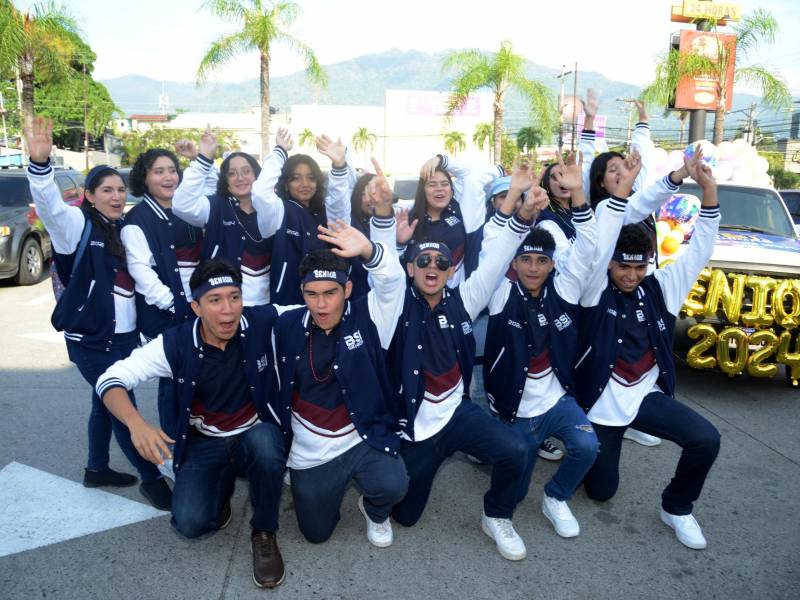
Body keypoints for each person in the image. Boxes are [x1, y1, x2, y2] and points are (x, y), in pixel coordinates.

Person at [386, 161, 548, 561]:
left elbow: (495, 260)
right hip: (415, 427)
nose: (432, 269)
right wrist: (384, 238)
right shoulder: (392, 308)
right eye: (423, 262)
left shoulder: (464, 301)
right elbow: (382, 275)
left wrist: (521, 211)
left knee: (515, 450)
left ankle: (497, 516)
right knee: (405, 516)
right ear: (411, 268)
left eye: (441, 263)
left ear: (449, 271)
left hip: (456, 414)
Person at [95, 259, 291, 588]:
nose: (228, 311)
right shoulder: (175, 343)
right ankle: (220, 493)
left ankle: (264, 531)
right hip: (205, 442)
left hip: (254, 434)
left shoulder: (262, 322)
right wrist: (136, 423)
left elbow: (319, 306)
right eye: (214, 300)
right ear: (196, 306)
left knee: (267, 444)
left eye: (234, 297)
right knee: (189, 523)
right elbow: (110, 379)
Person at [23, 116, 168, 509]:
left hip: (123, 338)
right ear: (89, 195)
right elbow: (51, 208)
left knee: (104, 399)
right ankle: (153, 480)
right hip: (90, 340)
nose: (117, 196)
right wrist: (40, 166)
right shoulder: (76, 226)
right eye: (107, 190)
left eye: (121, 189)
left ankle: (96, 468)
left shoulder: (124, 230)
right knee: (122, 404)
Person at [577, 158, 721, 551]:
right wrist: (622, 195)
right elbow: (600, 241)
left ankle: (677, 508)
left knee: (706, 439)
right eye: (622, 267)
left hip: (644, 399)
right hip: (601, 406)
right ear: (609, 264)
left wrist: (708, 190)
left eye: (638, 268)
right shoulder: (591, 291)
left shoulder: (661, 287)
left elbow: (698, 250)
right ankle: (580, 444)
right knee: (601, 493)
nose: (630, 275)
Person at [273, 162, 409, 548]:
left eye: (330, 293)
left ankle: (374, 510)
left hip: (360, 438)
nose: (321, 304)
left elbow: (391, 282)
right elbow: (231, 317)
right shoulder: (286, 323)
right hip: (311, 449)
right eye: (312, 294)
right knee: (315, 534)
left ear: (347, 290)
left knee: (394, 484)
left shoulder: (369, 319)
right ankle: (314, 488)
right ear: (301, 294)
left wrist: (368, 246)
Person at [483, 152, 600, 539]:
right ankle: (500, 503)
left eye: (541, 261)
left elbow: (588, 250)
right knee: (511, 492)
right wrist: (515, 192)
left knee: (587, 446)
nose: (533, 267)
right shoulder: (501, 293)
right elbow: (491, 248)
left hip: (555, 402)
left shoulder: (565, 290)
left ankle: (556, 496)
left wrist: (579, 192)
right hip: (514, 410)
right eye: (526, 260)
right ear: (514, 264)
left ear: (553, 264)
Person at [121, 147, 204, 447]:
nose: (168, 177)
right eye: (159, 171)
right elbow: (142, 273)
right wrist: (175, 304)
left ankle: (192, 437)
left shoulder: (185, 210)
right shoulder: (137, 220)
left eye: (172, 170)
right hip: (167, 314)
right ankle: (172, 445)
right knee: (171, 379)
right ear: (145, 178)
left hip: (196, 309)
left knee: (195, 376)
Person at [172, 130, 276, 306]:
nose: (240, 178)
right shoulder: (215, 206)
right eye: (232, 173)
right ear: (225, 180)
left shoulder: (272, 208)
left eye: (246, 171)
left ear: (257, 175)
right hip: (221, 305)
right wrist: (203, 158)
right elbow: (181, 204)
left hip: (263, 305)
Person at [250, 128, 354, 305]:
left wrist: (338, 166)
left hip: (327, 305)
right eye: (296, 178)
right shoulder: (279, 211)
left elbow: (340, 203)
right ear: (286, 183)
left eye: (311, 178)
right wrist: (279, 152)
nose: (305, 184)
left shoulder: (324, 211)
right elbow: (260, 193)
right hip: (287, 307)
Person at [404, 154, 504, 287]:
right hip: (419, 300)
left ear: (451, 191)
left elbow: (472, 175)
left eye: (444, 184)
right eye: (432, 184)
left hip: (458, 297)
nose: (439, 188)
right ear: (423, 191)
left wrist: (442, 160)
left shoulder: (460, 208)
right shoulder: (407, 219)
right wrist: (400, 244)